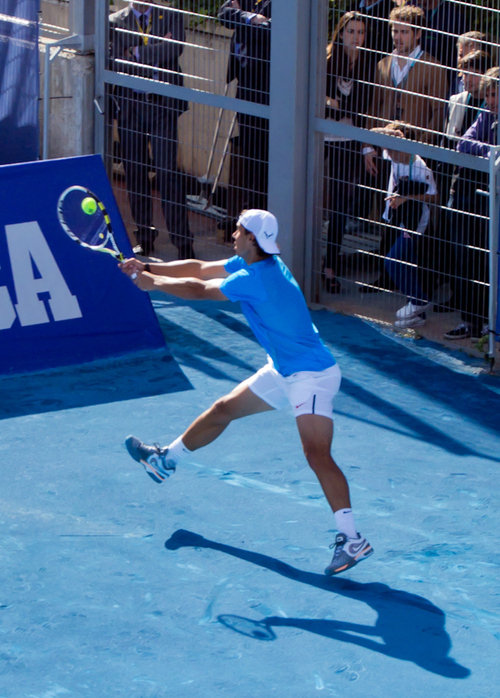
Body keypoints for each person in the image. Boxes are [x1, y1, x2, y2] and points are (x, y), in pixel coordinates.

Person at [120, 209, 374, 576]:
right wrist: (148, 266)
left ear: (253, 239)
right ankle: (165, 460)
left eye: (238, 231)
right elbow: (201, 268)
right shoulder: (254, 262)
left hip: (311, 377)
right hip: (284, 369)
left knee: (317, 455)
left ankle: (352, 539)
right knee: (224, 409)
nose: (232, 235)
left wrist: (153, 284)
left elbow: (198, 289)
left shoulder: (257, 278)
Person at [361, 4, 448, 293]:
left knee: (419, 219)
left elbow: (439, 115)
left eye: (403, 31)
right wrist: (368, 147)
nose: (397, 37)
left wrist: (419, 146)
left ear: (418, 33)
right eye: (394, 31)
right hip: (386, 151)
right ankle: (388, 275)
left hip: (416, 156)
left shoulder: (433, 67)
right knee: (388, 211)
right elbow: (373, 108)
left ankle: (420, 280)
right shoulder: (383, 64)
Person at [109, 1, 194, 258]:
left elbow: (175, 49)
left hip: (162, 106)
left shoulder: (171, 17)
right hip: (130, 106)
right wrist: (157, 47)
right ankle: (144, 237)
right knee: (135, 171)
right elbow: (113, 61)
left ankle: (183, 243)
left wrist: (134, 52)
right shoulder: (115, 21)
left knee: (168, 173)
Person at [444, 67, 499, 340]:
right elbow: (464, 143)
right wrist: (492, 152)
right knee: (468, 261)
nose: (490, 100)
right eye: (487, 94)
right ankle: (471, 321)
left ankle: (492, 326)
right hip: (473, 199)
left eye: (494, 94)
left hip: (494, 204)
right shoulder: (485, 115)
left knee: (491, 264)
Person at [323, 11, 377, 293]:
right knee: (307, 195)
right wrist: (338, 108)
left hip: (348, 142)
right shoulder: (327, 59)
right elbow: (317, 97)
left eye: (361, 32)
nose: (356, 37)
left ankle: (329, 266)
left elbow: (363, 110)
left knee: (340, 206)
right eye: (351, 31)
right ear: (341, 33)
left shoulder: (369, 66)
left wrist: (338, 107)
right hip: (320, 138)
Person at [372, 123, 438, 329]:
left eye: (393, 149)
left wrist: (406, 198)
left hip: (416, 223)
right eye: (388, 148)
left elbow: (434, 195)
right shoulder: (394, 157)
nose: (389, 154)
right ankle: (418, 316)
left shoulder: (420, 166)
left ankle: (419, 301)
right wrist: (390, 133)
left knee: (392, 261)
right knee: (407, 265)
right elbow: (373, 134)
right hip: (400, 219)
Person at [217, 1, 272, 235]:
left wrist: (243, 21)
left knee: (265, 156)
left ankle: (264, 217)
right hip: (245, 86)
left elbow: (270, 33)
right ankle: (250, 215)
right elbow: (223, 14)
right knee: (249, 154)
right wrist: (252, 18)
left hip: (267, 89)